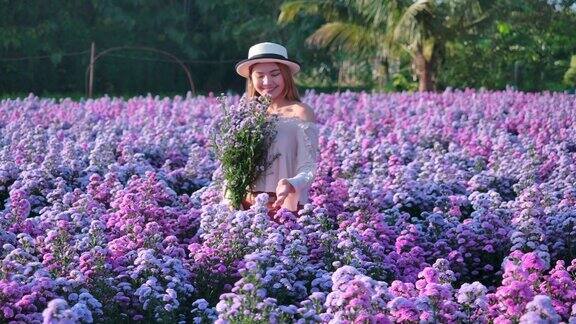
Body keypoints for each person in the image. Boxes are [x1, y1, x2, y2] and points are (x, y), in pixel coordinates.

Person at [233, 42, 319, 216]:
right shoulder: (246, 114)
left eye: (274, 74)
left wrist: (291, 183)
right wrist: (230, 197)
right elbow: (233, 166)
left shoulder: (300, 112)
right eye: (260, 76)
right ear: (252, 79)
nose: (267, 82)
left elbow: (309, 166)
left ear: (286, 76)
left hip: (283, 206)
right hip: (246, 204)